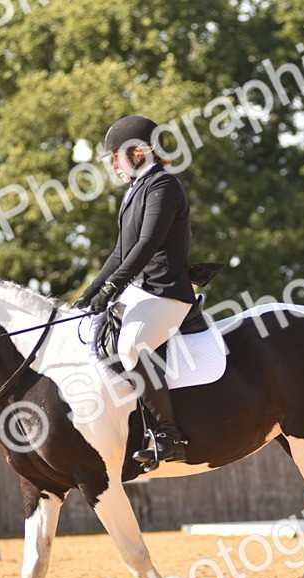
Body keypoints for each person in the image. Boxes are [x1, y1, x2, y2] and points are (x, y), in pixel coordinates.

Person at [75, 115, 196, 467]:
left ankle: (170, 436)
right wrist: (90, 293)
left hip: (166, 293)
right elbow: (119, 253)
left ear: (139, 153)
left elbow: (146, 244)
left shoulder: (163, 187)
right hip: (141, 293)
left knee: (132, 345)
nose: (113, 164)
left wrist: (112, 288)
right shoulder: (134, 191)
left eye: (117, 156)